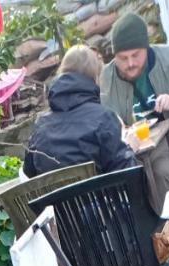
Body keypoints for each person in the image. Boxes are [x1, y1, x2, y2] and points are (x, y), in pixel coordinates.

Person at [100, 12, 169, 228]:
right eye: (122, 58)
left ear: (147, 48)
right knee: (132, 178)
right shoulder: (106, 77)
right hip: (132, 149)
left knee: (161, 172)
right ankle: (151, 241)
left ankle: (168, 237)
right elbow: (104, 118)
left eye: (136, 55)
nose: (130, 63)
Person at [23, 45, 138, 179]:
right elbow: (126, 173)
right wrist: (130, 149)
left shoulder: (40, 126)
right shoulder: (103, 117)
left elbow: (29, 173)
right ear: (95, 77)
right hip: (105, 198)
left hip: (57, 200)